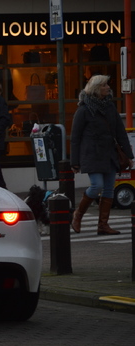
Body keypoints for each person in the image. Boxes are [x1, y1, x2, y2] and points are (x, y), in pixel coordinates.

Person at [70, 74, 134, 235]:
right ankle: (78, 215)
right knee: (97, 185)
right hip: (92, 154)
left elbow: (120, 132)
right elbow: (75, 137)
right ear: (97, 88)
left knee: (108, 189)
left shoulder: (110, 107)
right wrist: (74, 161)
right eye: (105, 85)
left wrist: (129, 155)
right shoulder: (83, 110)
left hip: (110, 153)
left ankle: (103, 225)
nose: (108, 88)